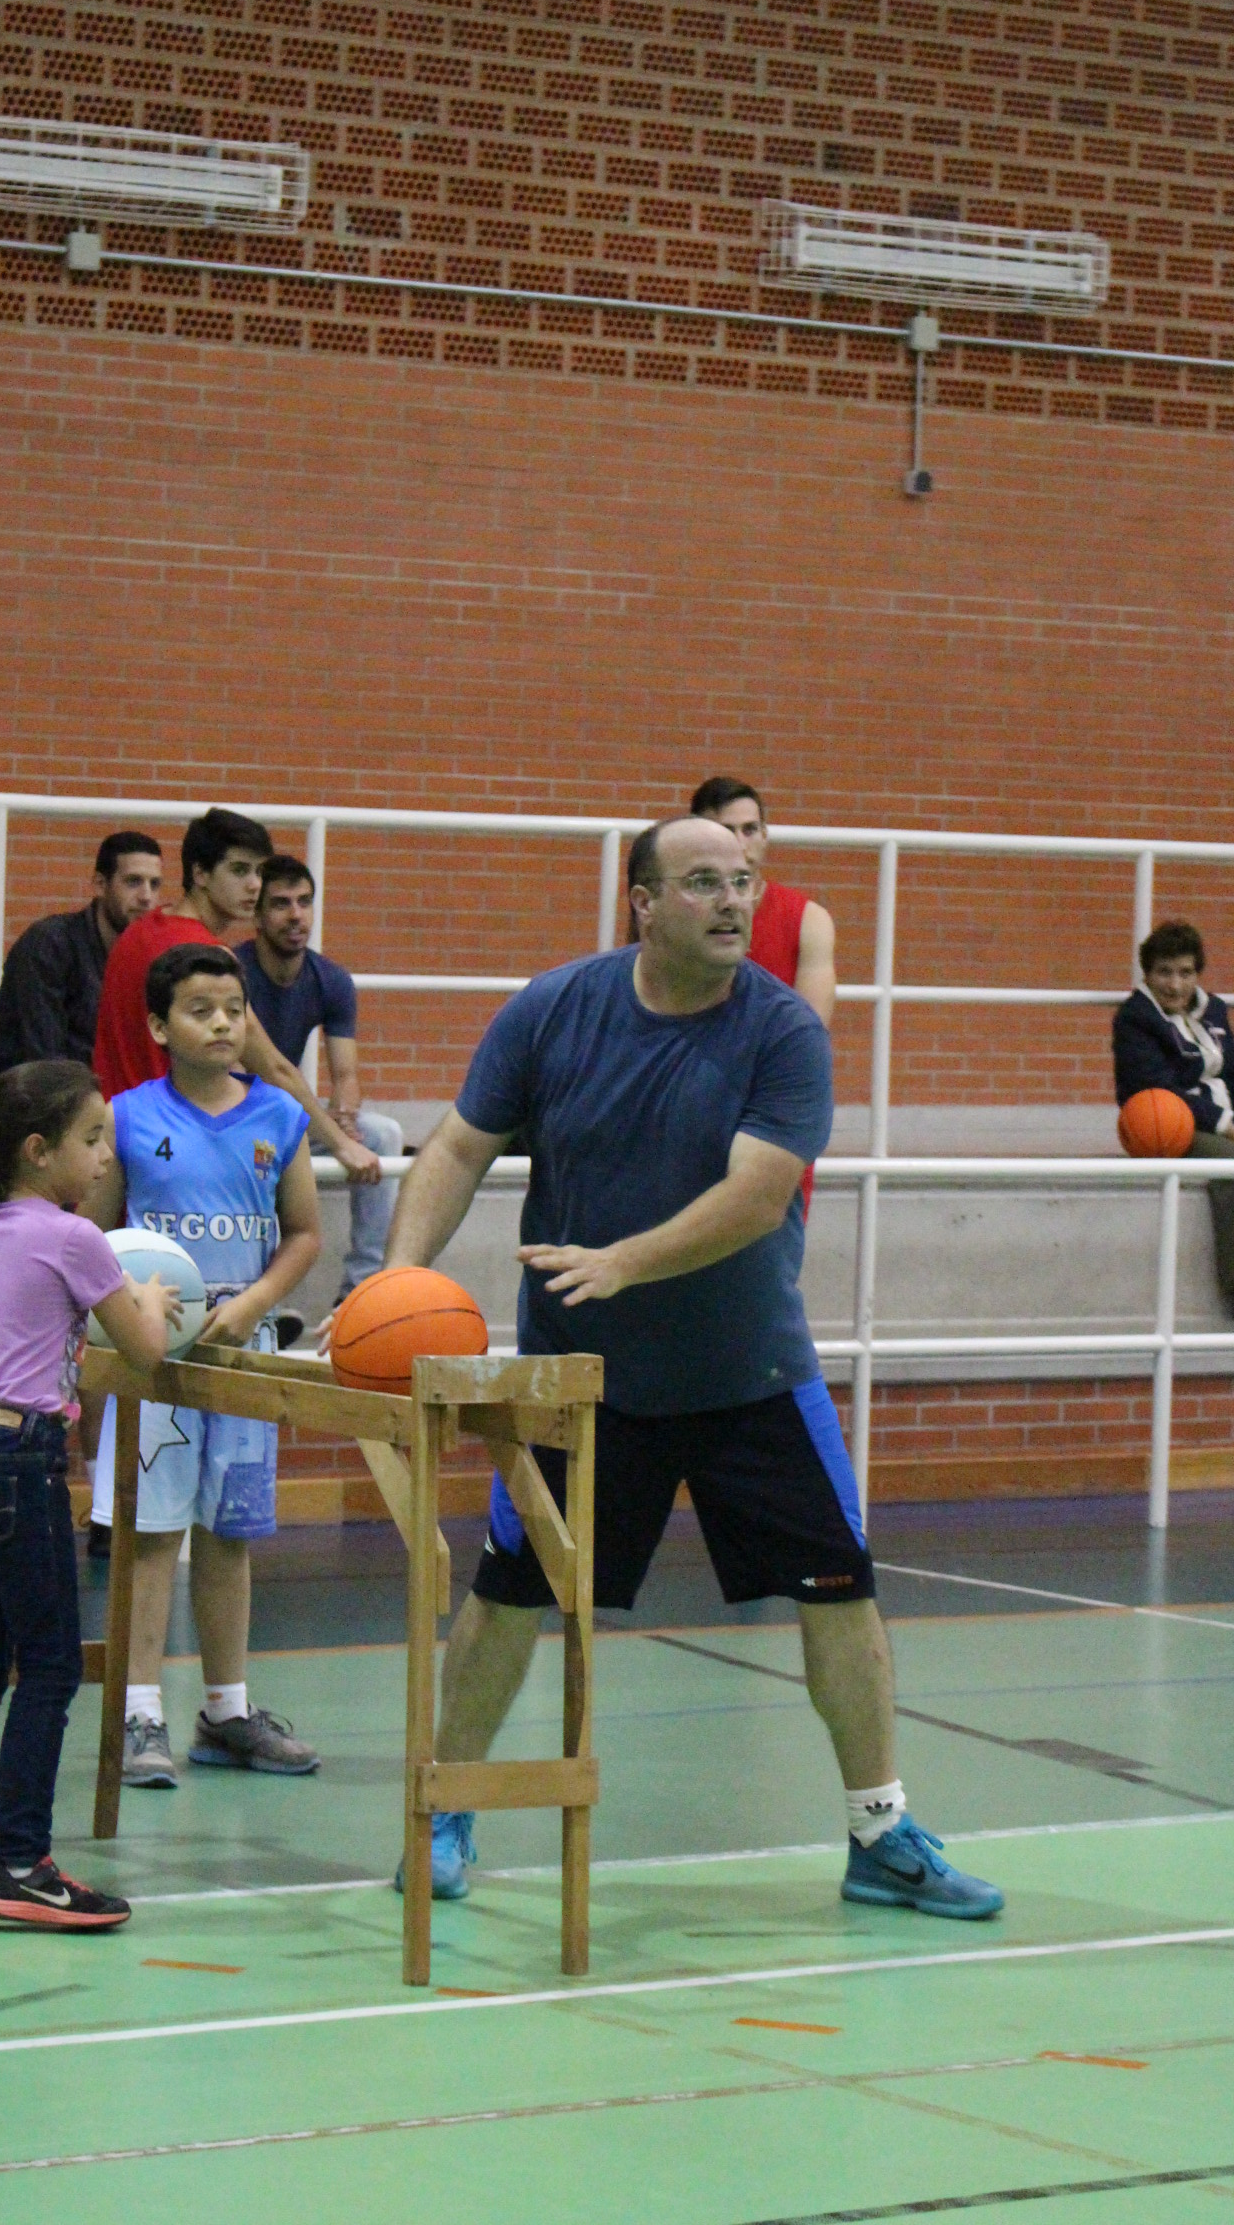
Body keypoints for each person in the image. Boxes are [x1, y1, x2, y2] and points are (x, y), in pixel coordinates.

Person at [378, 814, 1003, 1922]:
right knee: (510, 1598)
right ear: (644, 901)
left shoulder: (783, 1033)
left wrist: (622, 1263)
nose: (732, 902)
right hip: (582, 1389)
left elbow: (758, 1196)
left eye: (745, 883)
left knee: (840, 1596)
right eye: (705, 881)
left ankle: (878, 1831)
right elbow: (460, 1146)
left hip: (751, 1373)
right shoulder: (554, 1008)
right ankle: (444, 1815)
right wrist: (398, 1279)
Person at [0, 1059, 180, 1932]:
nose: (105, 1157)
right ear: (38, 1151)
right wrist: (159, 1299)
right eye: (90, 1139)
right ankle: (23, 1863)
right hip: (17, 1461)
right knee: (51, 1664)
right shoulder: (71, 1237)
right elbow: (145, 1351)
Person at [90, 943, 324, 1788]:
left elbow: (302, 1234)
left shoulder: (279, 1118)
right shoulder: (123, 1116)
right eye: (200, 1009)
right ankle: (138, 1712)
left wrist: (256, 1304)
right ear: (158, 1025)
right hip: (154, 1356)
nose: (222, 1023)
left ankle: (226, 1712)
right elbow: (94, 1240)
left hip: (245, 1354)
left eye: (234, 1008)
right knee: (150, 1535)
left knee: (231, 1534)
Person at [92, 805, 382, 1189]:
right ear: (200, 874)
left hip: (113, 1142)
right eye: (240, 870)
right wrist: (342, 1144)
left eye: (259, 872)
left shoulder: (138, 932)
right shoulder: (206, 957)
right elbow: (272, 1068)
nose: (254, 886)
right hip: (169, 1158)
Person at [237, 852, 402, 1300]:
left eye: (305, 902)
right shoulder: (233, 972)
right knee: (262, 1144)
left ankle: (362, 1286)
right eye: (281, 903)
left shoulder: (330, 979)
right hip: (238, 1116)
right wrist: (337, 1139)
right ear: (255, 914)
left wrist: (346, 1118)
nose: (296, 915)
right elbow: (272, 1071)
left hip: (291, 1114)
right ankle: (265, 1294)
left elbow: (345, 1072)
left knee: (383, 1134)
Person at [0, 831, 163, 1084]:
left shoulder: (150, 955)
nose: (147, 897)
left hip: (107, 1105)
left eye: (155, 884)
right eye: (133, 882)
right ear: (100, 884)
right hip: (34, 1108)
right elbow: (43, 1059)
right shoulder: (48, 944)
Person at [1114, 920, 1234, 1305]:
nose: (1175, 984)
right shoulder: (1135, 1020)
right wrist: (1227, 1124)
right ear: (1147, 975)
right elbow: (1161, 1089)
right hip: (1169, 1127)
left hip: (1222, 1118)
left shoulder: (1213, 1012)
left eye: (1185, 972)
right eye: (1164, 972)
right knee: (1230, 1165)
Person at [689, 776, 836, 1025]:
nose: (739, 843)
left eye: (750, 830)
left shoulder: (809, 921)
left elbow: (811, 1032)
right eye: (726, 830)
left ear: (764, 835)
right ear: (696, 838)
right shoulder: (675, 910)